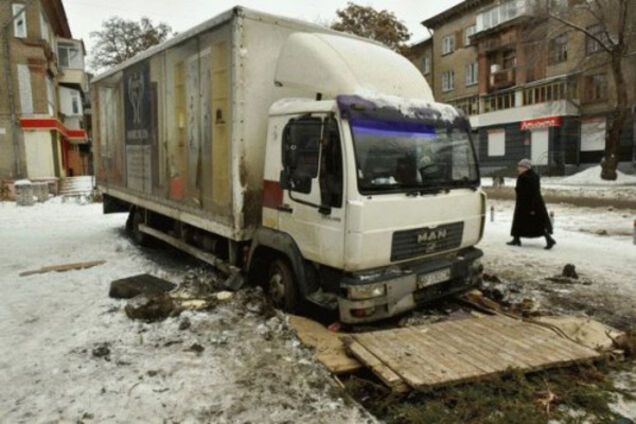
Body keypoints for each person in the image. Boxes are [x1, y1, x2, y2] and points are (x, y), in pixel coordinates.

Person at [507, 159, 556, 249]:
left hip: (529, 203)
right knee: (522, 221)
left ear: (526, 167)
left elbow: (532, 192)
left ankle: (549, 239)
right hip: (529, 203)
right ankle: (516, 238)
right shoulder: (530, 176)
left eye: (520, 166)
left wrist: (532, 207)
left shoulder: (526, 177)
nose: (518, 168)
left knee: (536, 223)